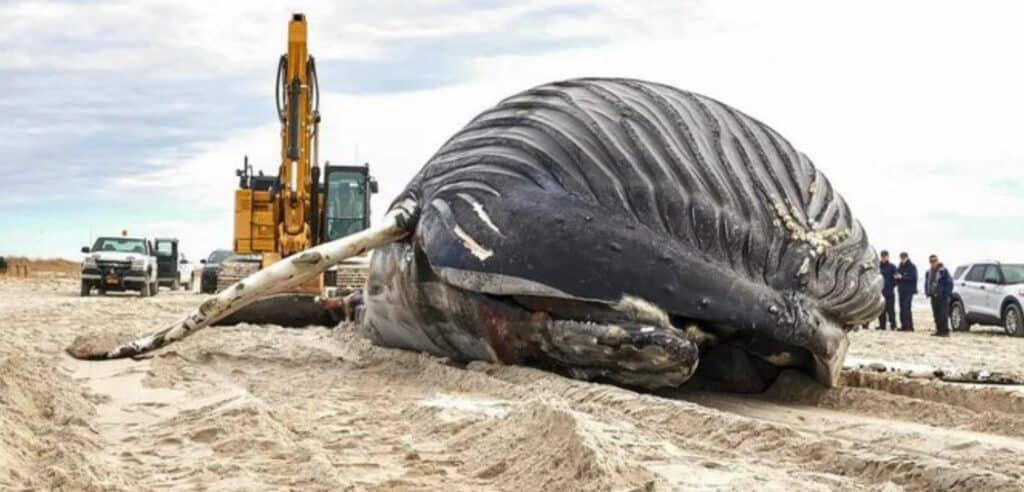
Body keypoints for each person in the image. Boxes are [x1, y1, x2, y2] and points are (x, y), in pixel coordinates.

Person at [925, 254, 953, 337]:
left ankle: (945, 331)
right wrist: (927, 292)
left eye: (934, 261)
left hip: (942, 296)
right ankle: (939, 330)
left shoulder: (943, 271)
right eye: (931, 261)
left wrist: (946, 294)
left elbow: (949, 283)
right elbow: (927, 283)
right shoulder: (929, 272)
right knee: (936, 314)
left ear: (937, 260)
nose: (933, 263)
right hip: (933, 296)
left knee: (943, 314)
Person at [894, 252, 918, 331]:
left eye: (904, 258)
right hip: (901, 290)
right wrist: (897, 278)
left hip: (909, 290)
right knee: (901, 308)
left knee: (906, 308)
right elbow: (897, 277)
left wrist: (902, 277)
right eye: (901, 258)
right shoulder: (900, 266)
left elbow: (913, 278)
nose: (902, 259)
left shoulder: (912, 267)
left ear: (907, 257)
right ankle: (904, 325)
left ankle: (909, 326)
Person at [877, 250, 897, 330]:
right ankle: (882, 325)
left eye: (885, 256)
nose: (884, 258)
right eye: (882, 256)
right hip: (880, 291)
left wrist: (892, 285)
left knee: (890, 309)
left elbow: (896, 278)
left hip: (889, 291)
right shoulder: (877, 266)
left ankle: (893, 325)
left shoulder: (892, 266)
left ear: (888, 257)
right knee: (881, 310)